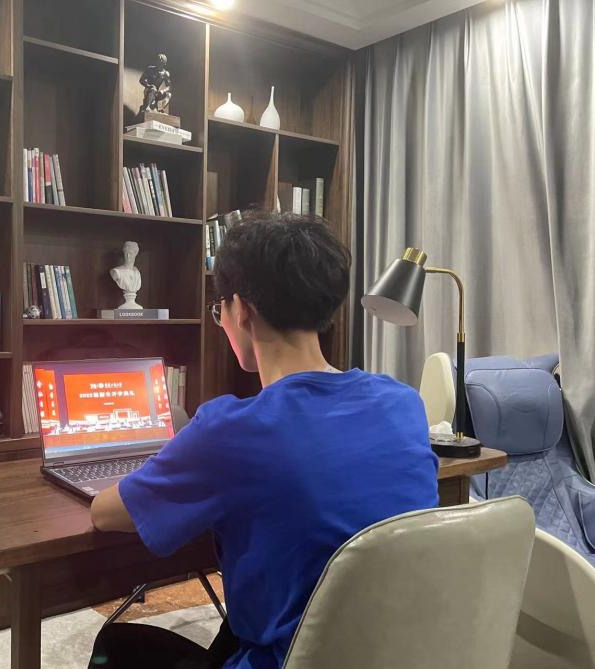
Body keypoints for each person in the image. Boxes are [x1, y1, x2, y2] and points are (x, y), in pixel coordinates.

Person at [88, 211, 440, 669]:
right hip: (391, 653)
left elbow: (106, 513)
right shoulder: (403, 403)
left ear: (241, 309)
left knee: (117, 646)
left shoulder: (231, 430)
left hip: (289, 659)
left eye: (219, 310)